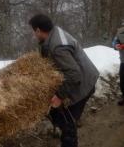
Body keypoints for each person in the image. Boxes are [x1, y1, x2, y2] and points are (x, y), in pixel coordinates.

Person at [29, 14, 99, 147]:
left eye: (33, 31)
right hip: (81, 75)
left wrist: (60, 96)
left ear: (38, 30)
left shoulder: (57, 47)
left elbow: (74, 75)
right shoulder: (53, 33)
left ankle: (69, 137)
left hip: (84, 83)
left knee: (67, 121)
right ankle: (64, 126)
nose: (33, 34)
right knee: (57, 112)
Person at [112, 25, 124, 106]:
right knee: (123, 80)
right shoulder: (120, 31)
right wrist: (116, 45)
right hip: (123, 61)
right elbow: (114, 41)